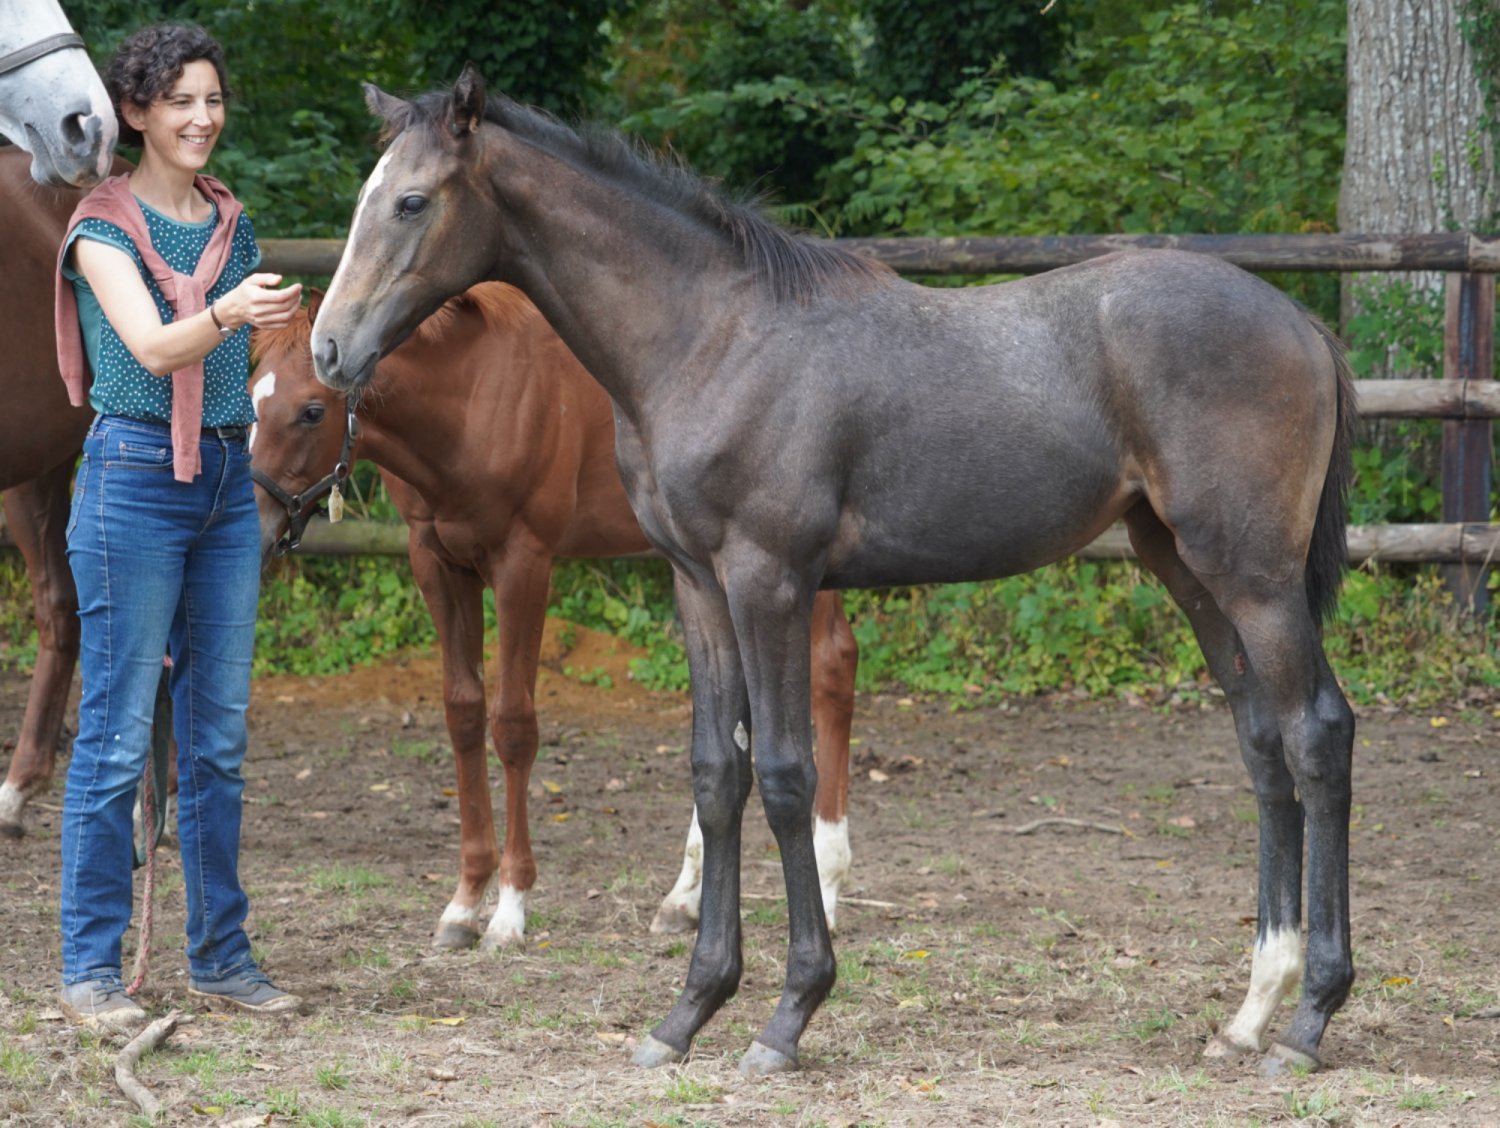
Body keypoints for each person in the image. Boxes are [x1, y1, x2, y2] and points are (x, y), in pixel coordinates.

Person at [54, 22, 303, 1033]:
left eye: (214, 100)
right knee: (116, 743)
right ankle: (89, 970)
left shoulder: (229, 221)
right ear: (136, 113)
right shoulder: (100, 226)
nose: (203, 118)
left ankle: (221, 957)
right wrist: (233, 313)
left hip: (226, 489)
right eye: (181, 102)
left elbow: (245, 367)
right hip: (133, 484)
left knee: (218, 742)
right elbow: (156, 348)